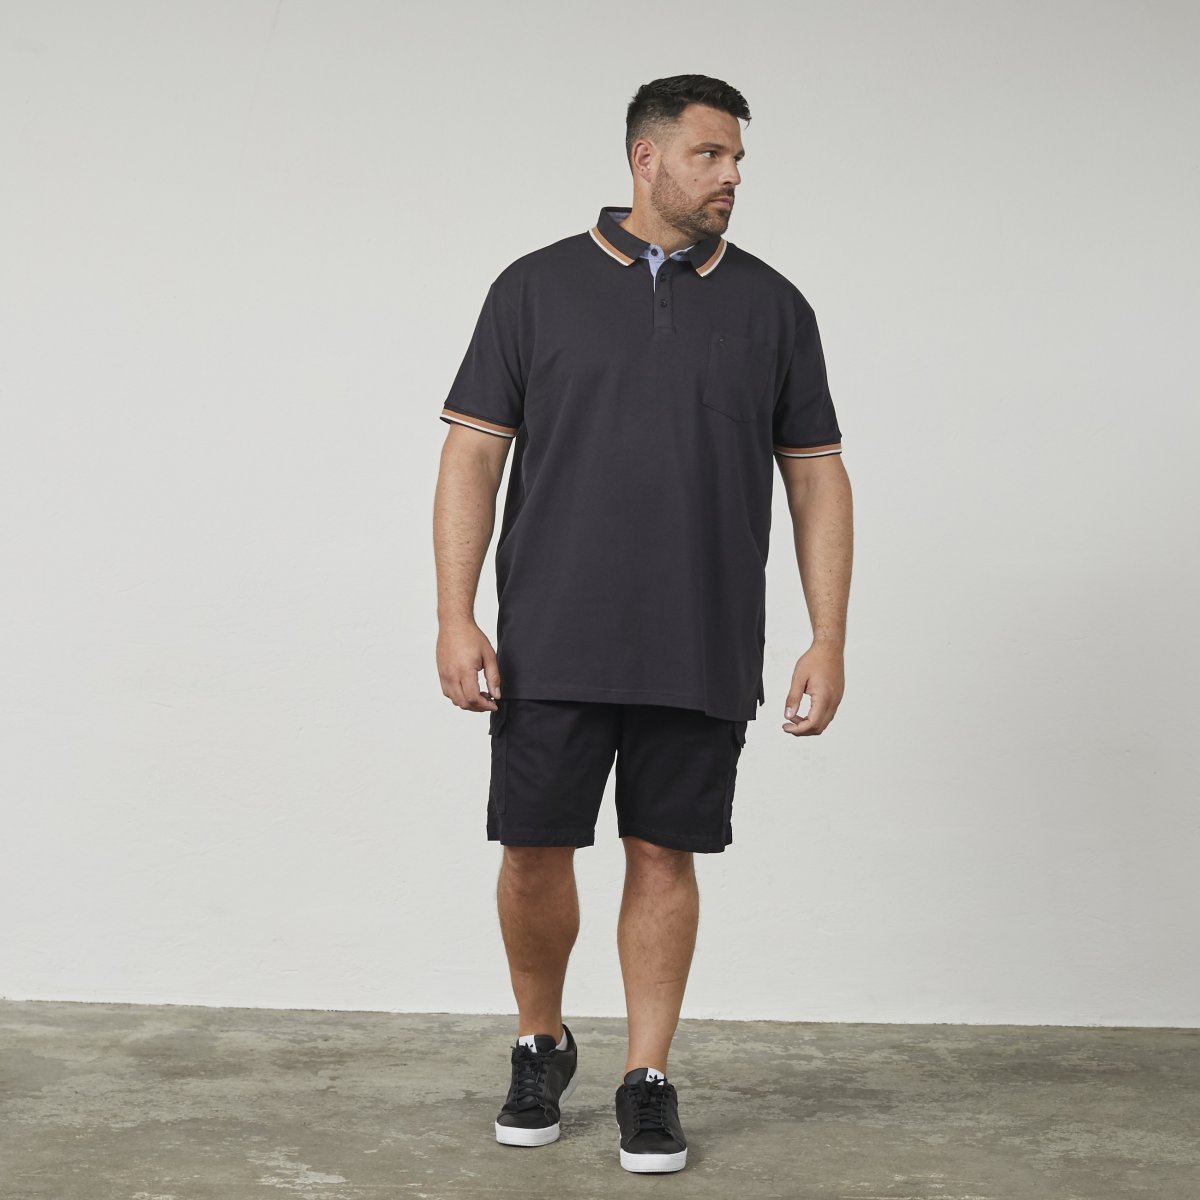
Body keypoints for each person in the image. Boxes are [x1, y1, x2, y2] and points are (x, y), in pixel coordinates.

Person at [432, 74, 853, 1174]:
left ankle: (647, 1077)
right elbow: (471, 456)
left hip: (700, 636)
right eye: (711, 155)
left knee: (665, 852)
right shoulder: (533, 288)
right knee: (534, 850)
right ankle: (540, 1042)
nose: (732, 177)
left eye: (739, 159)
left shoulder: (773, 306)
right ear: (646, 158)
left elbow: (816, 476)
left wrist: (827, 634)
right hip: (551, 634)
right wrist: (454, 615)